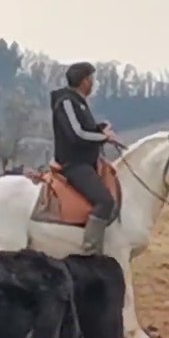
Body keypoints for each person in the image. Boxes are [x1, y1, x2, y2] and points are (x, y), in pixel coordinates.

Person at [50, 61, 118, 255]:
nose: (93, 83)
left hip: (86, 162)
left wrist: (100, 128)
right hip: (74, 164)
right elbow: (76, 134)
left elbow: (85, 130)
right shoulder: (66, 101)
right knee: (105, 201)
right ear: (85, 81)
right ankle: (90, 253)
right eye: (92, 79)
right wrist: (104, 137)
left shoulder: (78, 102)